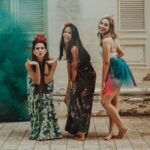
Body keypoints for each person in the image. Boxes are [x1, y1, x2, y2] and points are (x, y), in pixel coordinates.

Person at [97, 16, 136, 140]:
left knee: (105, 102)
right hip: (117, 68)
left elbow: (106, 63)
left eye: (106, 24)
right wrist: (115, 58)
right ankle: (111, 132)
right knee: (113, 102)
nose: (102, 26)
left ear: (110, 28)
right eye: (101, 23)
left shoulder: (106, 41)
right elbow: (121, 53)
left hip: (115, 71)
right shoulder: (111, 39)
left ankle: (122, 127)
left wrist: (102, 81)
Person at [59, 22, 96, 141]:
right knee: (73, 99)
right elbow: (69, 66)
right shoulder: (67, 46)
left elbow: (74, 67)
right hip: (79, 75)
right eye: (65, 31)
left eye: (70, 32)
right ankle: (77, 129)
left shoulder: (74, 47)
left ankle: (82, 132)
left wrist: (72, 83)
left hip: (86, 76)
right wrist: (69, 83)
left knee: (82, 103)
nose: (67, 34)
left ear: (74, 35)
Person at [25, 34, 62, 140]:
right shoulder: (28, 64)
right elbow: (36, 81)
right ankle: (37, 129)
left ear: (46, 50)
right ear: (33, 51)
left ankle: (47, 131)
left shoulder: (52, 62)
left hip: (46, 87)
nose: (40, 50)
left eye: (42, 48)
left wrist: (46, 64)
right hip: (34, 87)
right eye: (37, 48)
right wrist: (36, 65)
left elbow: (46, 81)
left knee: (46, 103)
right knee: (36, 106)